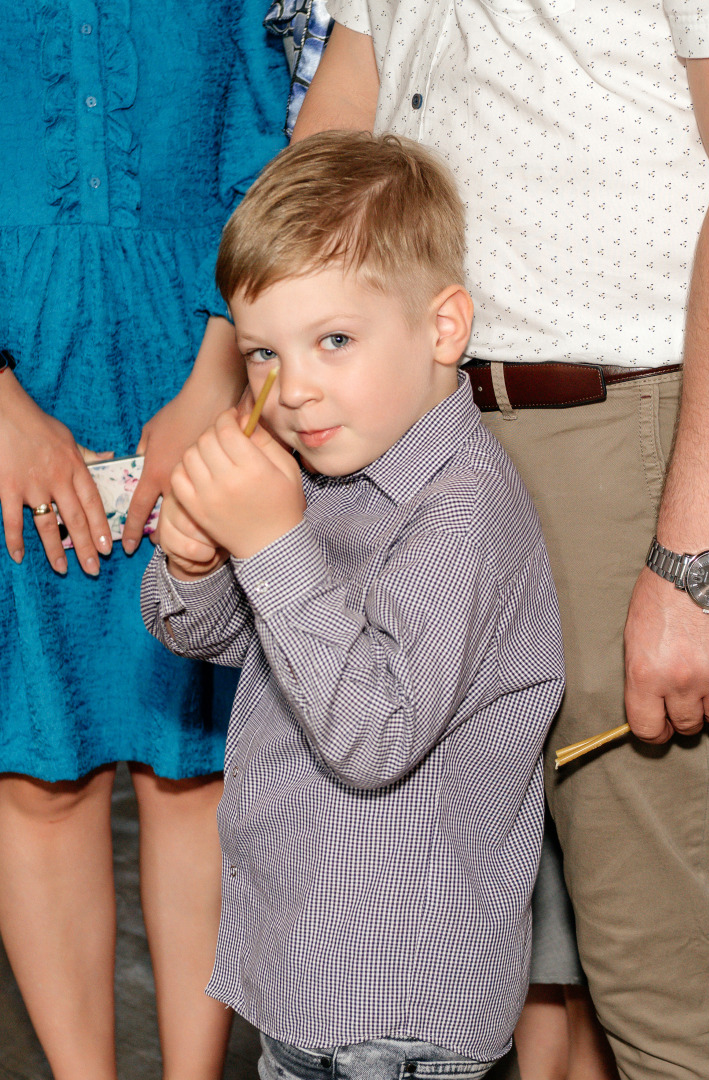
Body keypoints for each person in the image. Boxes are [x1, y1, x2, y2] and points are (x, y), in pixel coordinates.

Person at [286, 3, 709, 1078]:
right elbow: (339, 121)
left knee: (665, 979)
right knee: (449, 950)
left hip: (619, 434)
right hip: (417, 432)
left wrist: (692, 556)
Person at [141, 130, 565, 1079]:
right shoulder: (323, 471)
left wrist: (269, 542)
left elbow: (373, 733)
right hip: (302, 968)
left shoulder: (464, 510)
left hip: (398, 1005)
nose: (292, 390)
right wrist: (198, 560)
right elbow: (229, 642)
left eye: (333, 340)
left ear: (443, 328)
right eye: (263, 352)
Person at [0, 5, 288, 1079]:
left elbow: (264, 149)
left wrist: (217, 379)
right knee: (35, 766)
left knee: (195, 761)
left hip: (200, 348)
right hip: (15, 372)